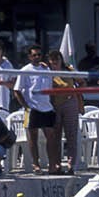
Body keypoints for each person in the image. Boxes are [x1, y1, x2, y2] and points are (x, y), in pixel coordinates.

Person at [15, 44, 59, 174]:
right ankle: (36, 164)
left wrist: (53, 104)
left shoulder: (46, 69)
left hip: (47, 108)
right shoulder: (25, 70)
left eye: (39, 55)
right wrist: (26, 106)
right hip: (33, 108)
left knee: (51, 137)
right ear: (29, 56)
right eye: (34, 55)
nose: (37, 57)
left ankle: (52, 165)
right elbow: (17, 90)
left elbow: (51, 88)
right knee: (32, 138)